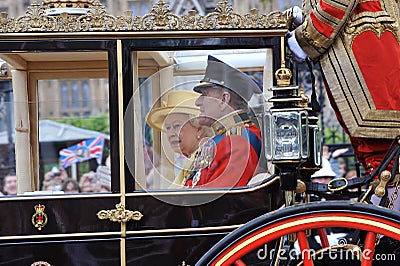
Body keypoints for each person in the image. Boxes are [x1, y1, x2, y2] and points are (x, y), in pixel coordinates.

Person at [286, 1, 400, 174]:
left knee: (383, 154)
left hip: (366, 40)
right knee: (378, 156)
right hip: (369, 36)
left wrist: (305, 39)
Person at [183, 55, 263, 188]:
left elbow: (220, 201)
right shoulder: (229, 138)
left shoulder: (238, 140)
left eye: (204, 94)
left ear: (224, 100)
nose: (198, 102)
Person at [146, 90, 210, 188]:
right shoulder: (192, 163)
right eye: (168, 127)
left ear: (199, 129)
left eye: (177, 126)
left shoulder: (207, 161)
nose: (171, 133)